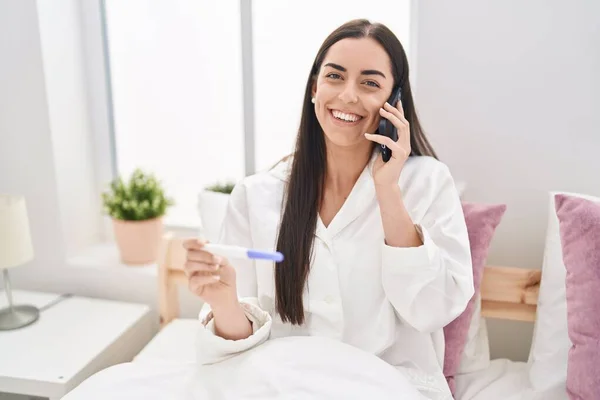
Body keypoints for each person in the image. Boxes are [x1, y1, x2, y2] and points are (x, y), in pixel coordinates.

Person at [183, 19, 473, 399]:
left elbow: (432, 310)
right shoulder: (256, 195)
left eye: (370, 83)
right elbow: (242, 344)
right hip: (282, 384)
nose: (349, 95)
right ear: (314, 88)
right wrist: (222, 301)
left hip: (387, 385)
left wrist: (388, 191)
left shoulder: (427, 182)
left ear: (395, 101)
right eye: (335, 77)